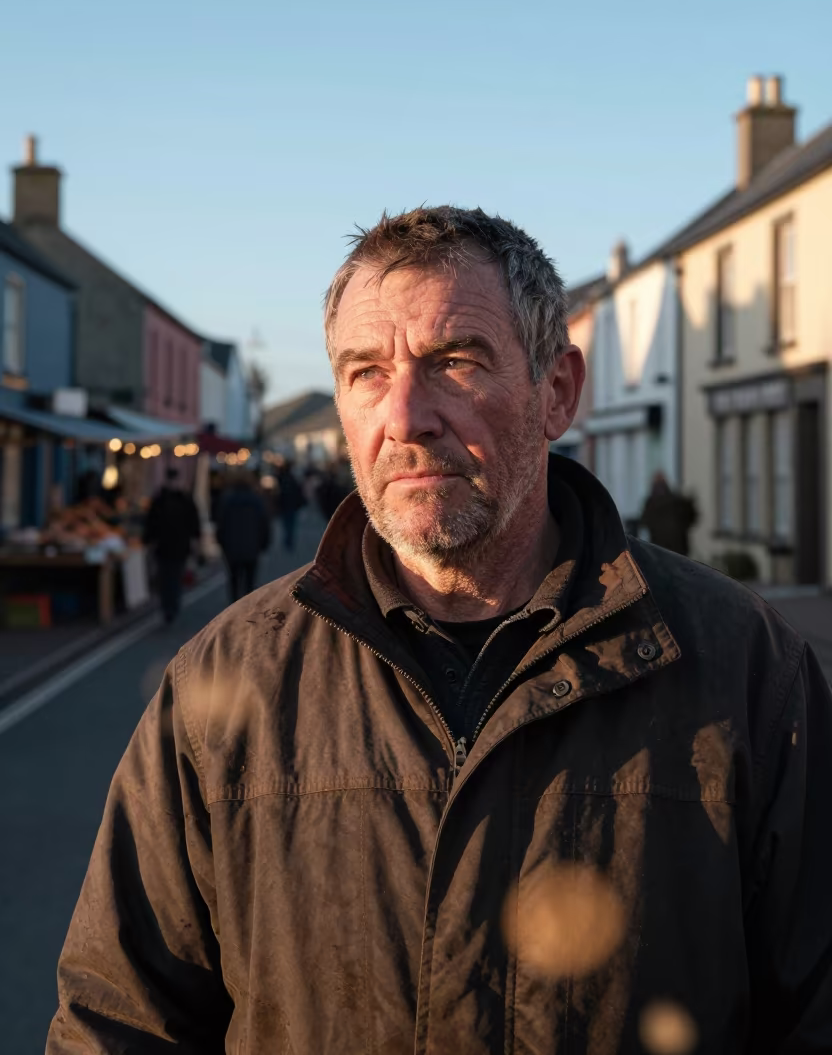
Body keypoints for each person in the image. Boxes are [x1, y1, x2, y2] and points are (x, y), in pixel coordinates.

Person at [49, 208, 832, 1054]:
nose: (407, 414)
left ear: (558, 391)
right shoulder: (226, 680)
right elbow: (118, 1021)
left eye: (454, 363)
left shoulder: (745, 666)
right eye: (364, 372)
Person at [141, 466, 200, 623]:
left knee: (169, 577)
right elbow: (194, 524)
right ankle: (170, 606)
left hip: (170, 546)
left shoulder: (163, 499)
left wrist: (148, 539)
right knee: (169, 577)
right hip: (171, 546)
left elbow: (151, 523)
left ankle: (170, 606)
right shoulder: (176, 499)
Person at [215, 471, 272, 601]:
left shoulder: (227, 500)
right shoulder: (256, 500)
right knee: (249, 581)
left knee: (234, 579)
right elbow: (264, 523)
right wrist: (264, 543)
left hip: (232, 548)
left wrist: (222, 542)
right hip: (252, 547)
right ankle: (247, 607)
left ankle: (234, 605)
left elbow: (221, 524)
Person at [639, 470, 698, 555]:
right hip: (678, 546)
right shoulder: (677, 500)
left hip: (659, 547)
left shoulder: (651, 502)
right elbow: (690, 518)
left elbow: (644, 521)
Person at [274, 459, 305, 550]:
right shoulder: (291, 478)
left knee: (287, 523)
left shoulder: (283, 478)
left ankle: (288, 540)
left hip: (286, 505)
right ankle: (289, 540)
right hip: (290, 505)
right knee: (290, 524)